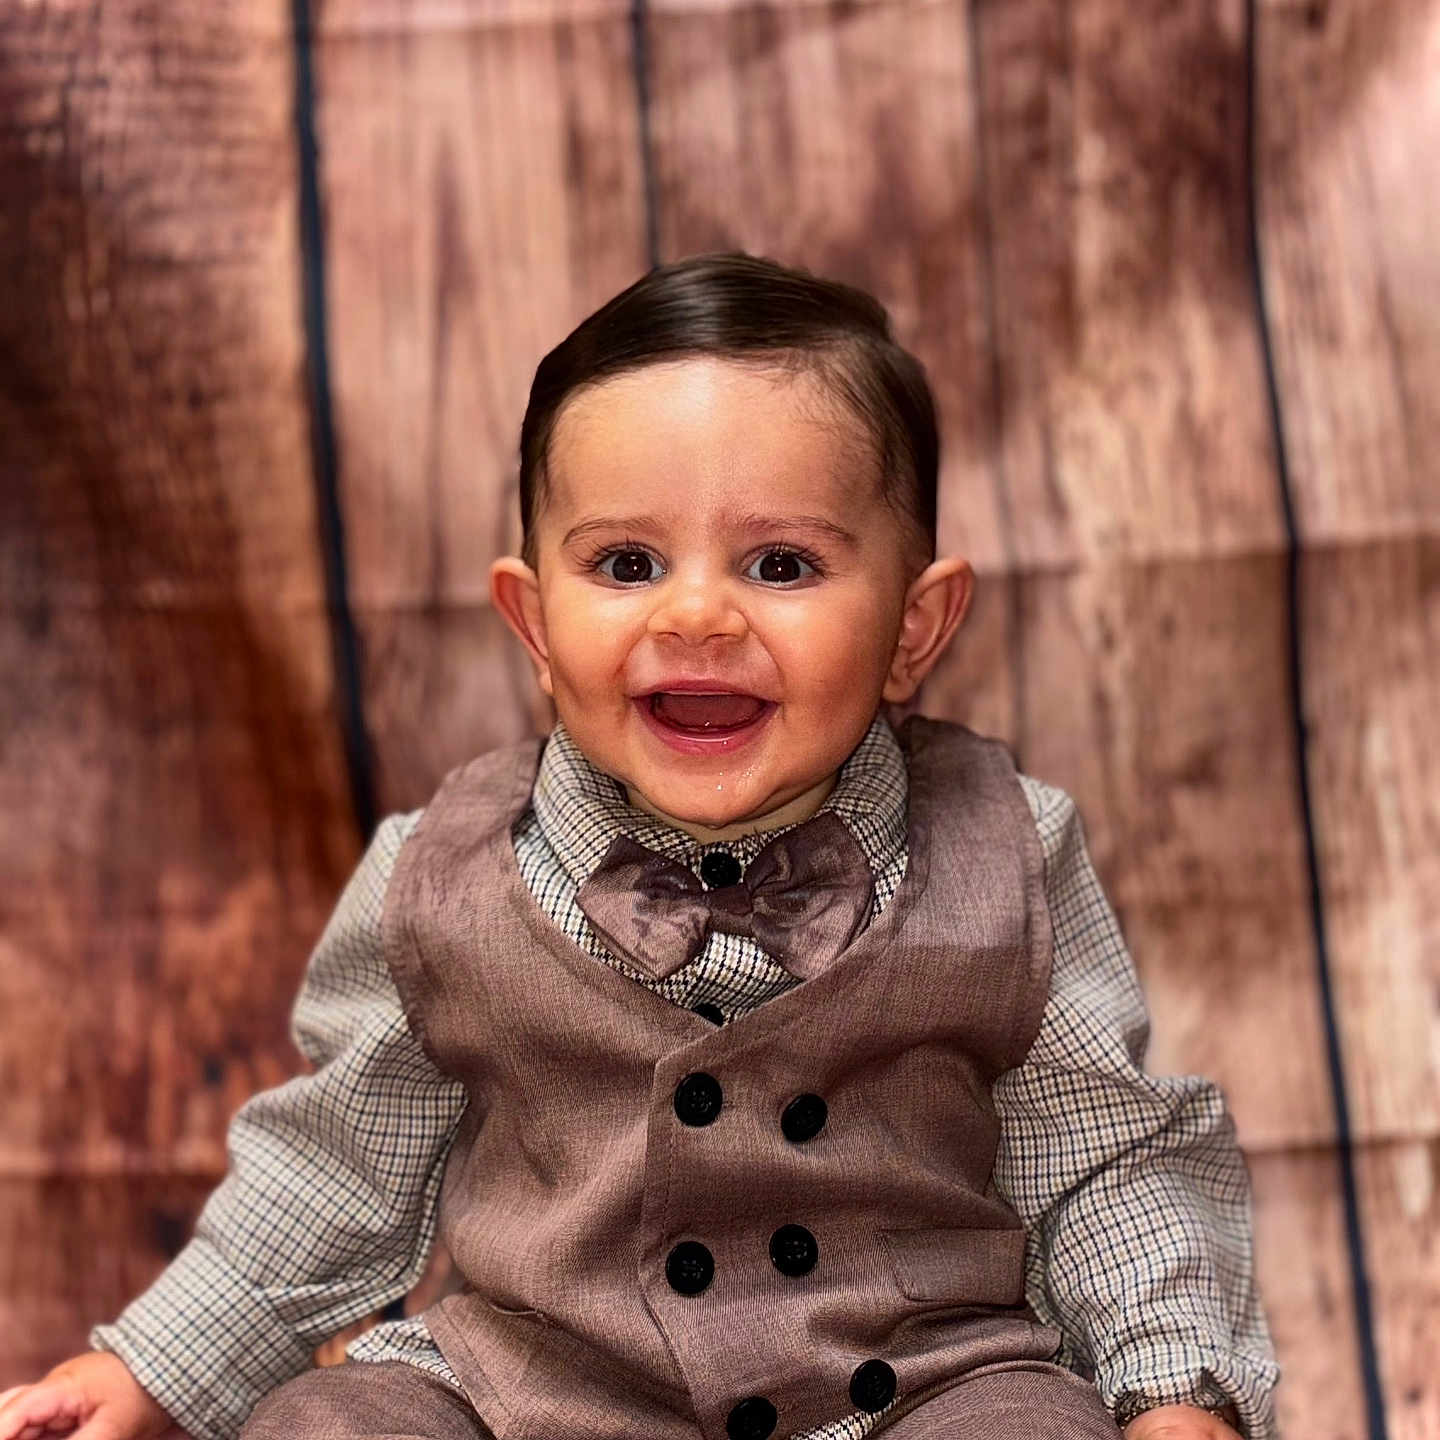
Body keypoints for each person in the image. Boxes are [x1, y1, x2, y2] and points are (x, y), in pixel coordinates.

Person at [0, 252, 1280, 1440]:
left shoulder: (1007, 853)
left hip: (906, 1388)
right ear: (536, 624)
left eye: (782, 563)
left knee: (1035, 1429)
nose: (698, 615)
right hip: (539, 1394)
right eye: (625, 562)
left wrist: (1174, 1391)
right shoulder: (441, 875)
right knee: (332, 1426)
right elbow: (332, 1171)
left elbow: (1108, 1160)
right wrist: (148, 1371)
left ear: (912, 626)